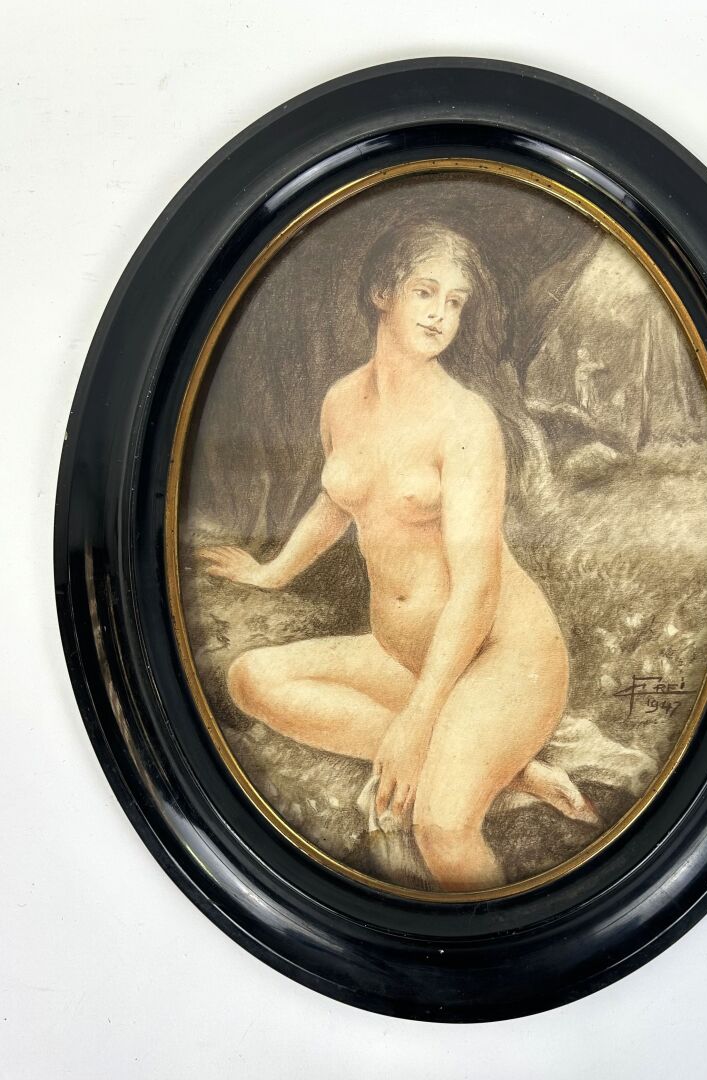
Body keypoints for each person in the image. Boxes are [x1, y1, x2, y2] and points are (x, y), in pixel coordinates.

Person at [201, 220, 597, 893]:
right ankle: (508, 770)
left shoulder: (466, 422)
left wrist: (418, 720)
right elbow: (338, 500)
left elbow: (476, 588)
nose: (441, 314)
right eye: (425, 292)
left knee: (440, 830)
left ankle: (490, 946)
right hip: (405, 656)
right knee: (250, 679)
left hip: (500, 657)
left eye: (456, 302)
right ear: (383, 292)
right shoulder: (339, 401)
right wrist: (271, 573)